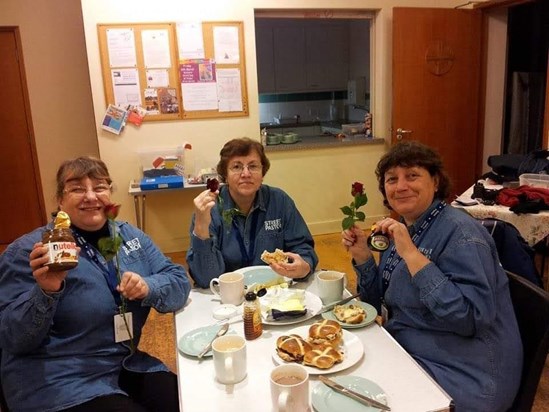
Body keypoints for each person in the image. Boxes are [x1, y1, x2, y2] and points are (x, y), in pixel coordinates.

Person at [341, 141, 523, 412]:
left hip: (467, 375)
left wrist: (413, 256)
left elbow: (470, 319)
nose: (401, 186)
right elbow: (375, 302)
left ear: (435, 181)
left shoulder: (462, 235)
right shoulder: (404, 228)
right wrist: (364, 257)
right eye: (392, 179)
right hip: (412, 349)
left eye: (412, 175)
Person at [0, 156, 191, 412]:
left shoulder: (129, 236)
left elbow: (179, 281)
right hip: (59, 381)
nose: (91, 196)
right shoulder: (30, 252)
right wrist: (46, 290)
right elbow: (13, 339)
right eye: (77, 188)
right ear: (60, 199)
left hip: (124, 362)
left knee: (187, 400)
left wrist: (148, 286)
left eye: (99, 187)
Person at [187, 137, 318, 288]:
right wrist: (201, 228)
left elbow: (303, 248)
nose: (246, 173)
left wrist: (304, 266)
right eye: (236, 167)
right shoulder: (211, 209)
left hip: (274, 292)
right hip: (229, 297)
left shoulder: (279, 201)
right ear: (225, 175)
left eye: (253, 166)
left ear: (263, 173)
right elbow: (206, 279)